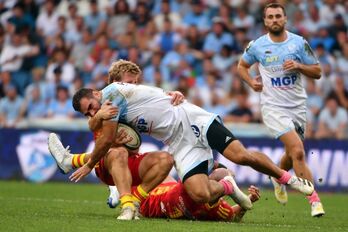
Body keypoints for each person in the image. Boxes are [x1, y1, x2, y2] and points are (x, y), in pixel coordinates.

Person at [70, 60, 314, 215]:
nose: (93, 111)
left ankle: (287, 178)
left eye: (92, 105)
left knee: (240, 156)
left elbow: (106, 135)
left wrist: (89, 163)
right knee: (199, 194)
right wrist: (95, 115)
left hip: (192, 119)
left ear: (98, 92)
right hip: (178, 141)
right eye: (88, 111)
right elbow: (102, 130)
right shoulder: (108, 110)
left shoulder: (113, 95)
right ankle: (227, 185)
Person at [48, 61, 184, 220]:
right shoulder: (106, 105)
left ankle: (132, 199)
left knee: (165, 159)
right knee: (117, 152)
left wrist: (172, 94)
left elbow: (132, 149)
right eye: (128, 83)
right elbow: (99, 133)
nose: (133, 87)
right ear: (114, 83)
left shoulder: (132, 105)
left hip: (126, 162)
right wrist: (100, 120)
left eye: (135, 83)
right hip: (106, 163)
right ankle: (126, 205)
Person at [237, 3, 324, 217]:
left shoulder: (298, 43)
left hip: (297, 107)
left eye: (278, 16)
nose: (274, 20)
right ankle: (314, 200)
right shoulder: (257, 46)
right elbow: (241, 66)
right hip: (273, 107)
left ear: (285, 19)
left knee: (289, 154)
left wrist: (299, 66)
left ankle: (277, 176)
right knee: (298, 151)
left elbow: (318, 71)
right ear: (265, 21)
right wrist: (251, 83)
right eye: (270, 17)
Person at [114, 168, 260, 221]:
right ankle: (227, 184)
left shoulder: (189, 188)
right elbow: (234, 216)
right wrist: (248, 201)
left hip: (151, 202)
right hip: (168, 191)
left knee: (130, 174)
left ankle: (114, 191)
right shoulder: (217, 209)